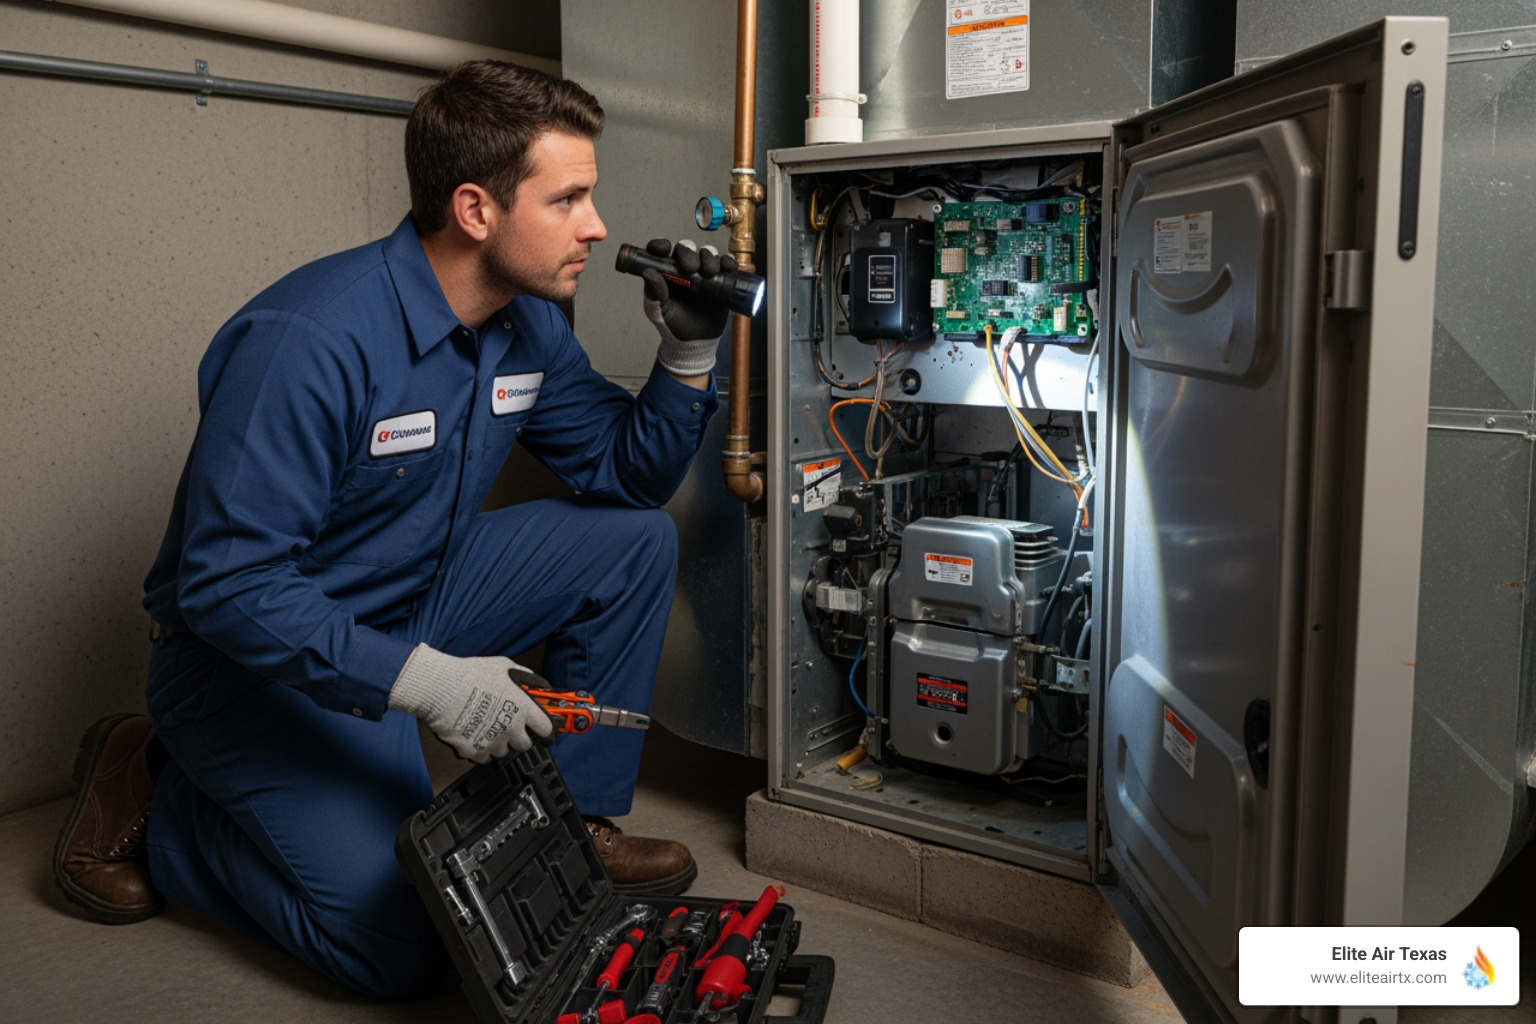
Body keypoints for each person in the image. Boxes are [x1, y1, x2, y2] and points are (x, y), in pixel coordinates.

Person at [52, 60, 734, 998]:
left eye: (593, 196)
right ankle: (165, 797)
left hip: (413, 600)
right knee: (417, 946)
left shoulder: (526, 326)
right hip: (251, 666)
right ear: (475, 209)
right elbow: (225, 586)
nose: (598, 226)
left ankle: (572, 824)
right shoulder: (311, 338)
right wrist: (423, 682)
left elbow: (625, 477)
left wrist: (687, 353)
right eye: (569, 198)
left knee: (629, 540)